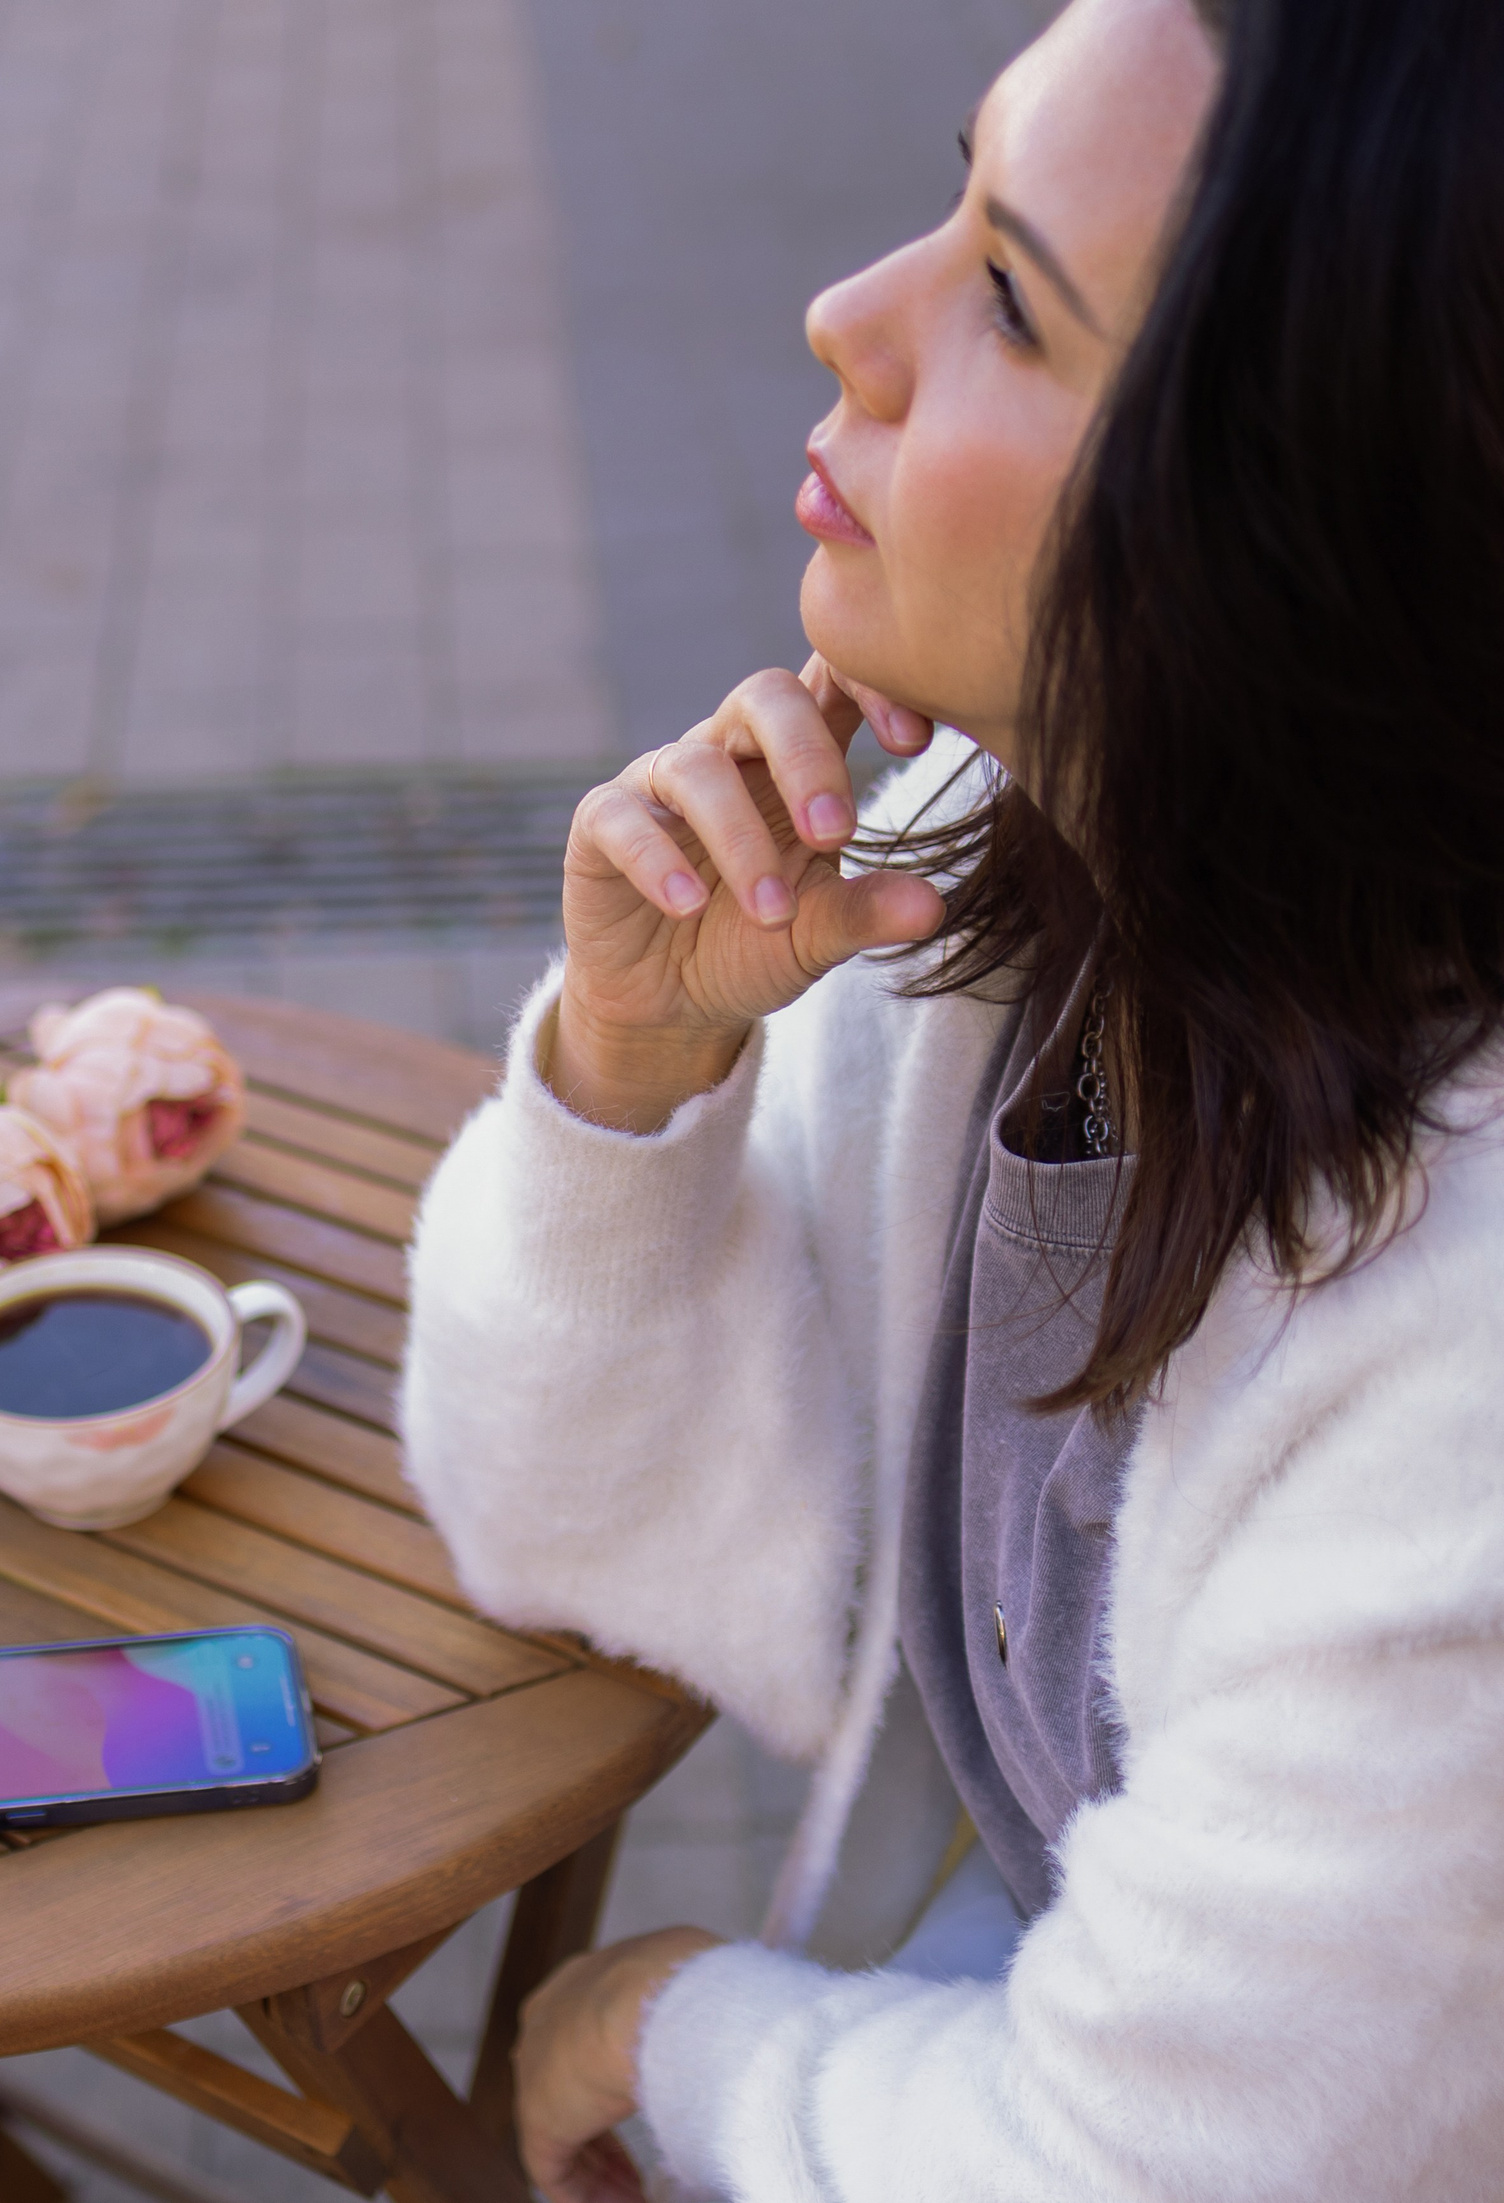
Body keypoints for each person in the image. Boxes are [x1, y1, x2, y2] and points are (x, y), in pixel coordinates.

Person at [399, 0, 1504, 2194]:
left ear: (1302, 521)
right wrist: (632, 1082)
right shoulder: (993, 869)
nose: (847, 313)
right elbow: (581, 1537)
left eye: (1008, 295)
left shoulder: (1462, 1386)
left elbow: (1152, 2168)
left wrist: (672, 2031)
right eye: (955, 193)